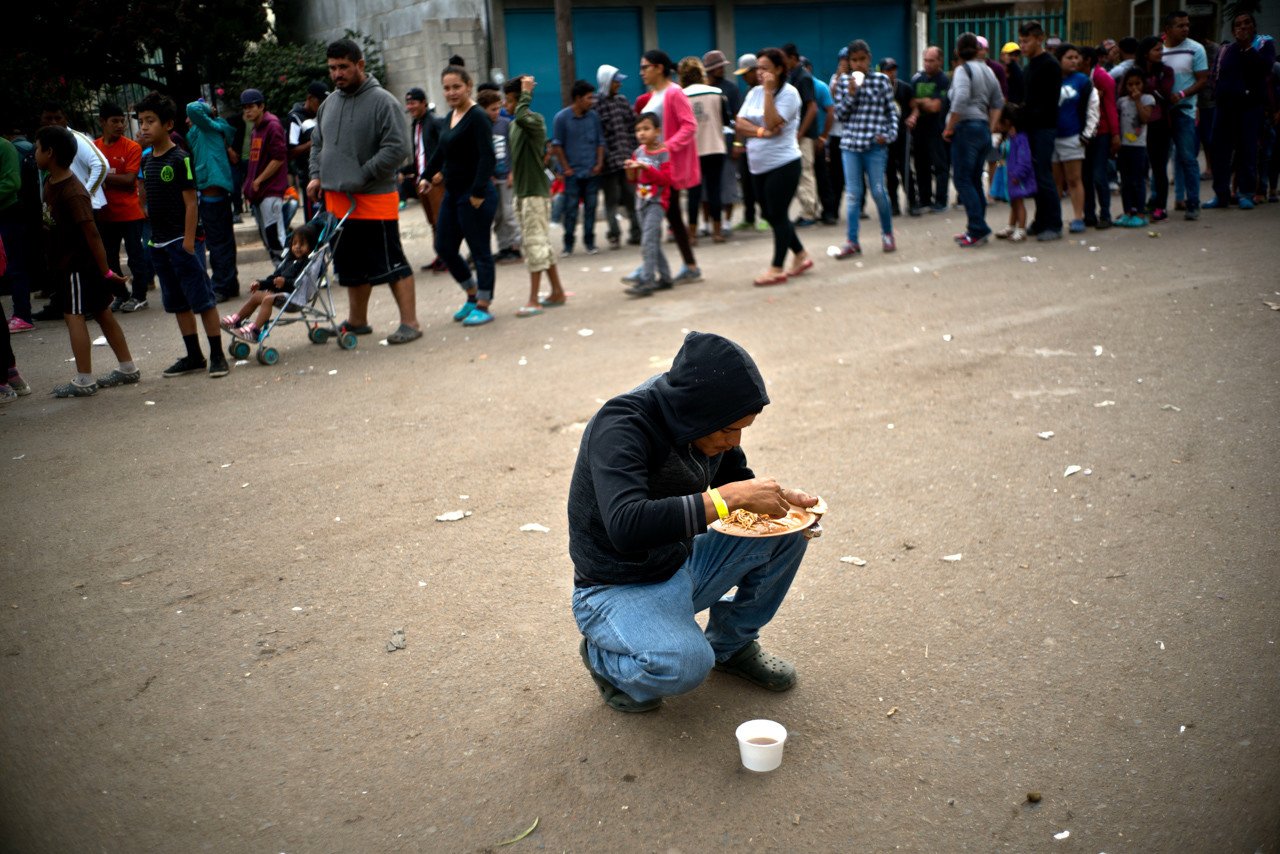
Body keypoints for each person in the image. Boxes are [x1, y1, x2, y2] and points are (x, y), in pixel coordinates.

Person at [569, 330, 819, 713]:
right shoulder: (622, 426)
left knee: (788, 531)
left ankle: (731, 646)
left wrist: (783, 503)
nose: (735, 441)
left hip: (682, 561)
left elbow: (733, 478)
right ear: (696, 412)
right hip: (617, 587)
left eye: (742, 429)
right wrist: (730, 498)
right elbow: (625, 526)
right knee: (685, 666)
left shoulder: (706, 422)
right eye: (729, 430)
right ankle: (605, 659)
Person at [308, 38, 420, 344]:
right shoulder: (329, 104)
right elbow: (318, 144)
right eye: (332, 68)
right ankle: (357, 321)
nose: (337, 74)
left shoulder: (384, 102)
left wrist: (363, 174)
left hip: (374, 200)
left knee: (392, 263)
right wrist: (316, 176)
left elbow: (397, 148)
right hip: (337, 203)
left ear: (360, 65)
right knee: (350, 268)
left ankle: (410, 323)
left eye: (343, 67)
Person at [34, 126, 138, 397]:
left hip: (77, 267)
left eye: (37, 148)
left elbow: (92, 234)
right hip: (69, 264)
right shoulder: (50, 183)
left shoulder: (73, 191)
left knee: (74, 316)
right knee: (102, 312)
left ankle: (84, 379)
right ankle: (127, 368)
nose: (34, 153)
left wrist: (106, 272)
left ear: (50, 152)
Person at [134, 93, 230, 379]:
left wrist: (188, 243)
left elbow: (191, 204)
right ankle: (194, 356)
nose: (144, 127)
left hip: (183, 243)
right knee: (177, 302)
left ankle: (217, 355)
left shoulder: (181, 158)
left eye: (150, 121)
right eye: (141, 121)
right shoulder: (147, 160)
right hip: (160, 243)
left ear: (168, 125)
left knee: (202, 300)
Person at [421, 64, 498, 327]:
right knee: (444, 247)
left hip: (475, 194)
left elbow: (488, 157)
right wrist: (425, 176)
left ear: (468, 86)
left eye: (457, 87)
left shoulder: (478, 117)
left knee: (479, 251)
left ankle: (484, 304)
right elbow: (440, 153)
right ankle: (471, 294)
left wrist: (477, 192)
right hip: (453, 194)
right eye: (447, 88)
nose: (452, 92)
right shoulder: (450, 116)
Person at [735, 47, 810, 285]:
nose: (760, 73)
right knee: (769, 214)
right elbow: (739, 123)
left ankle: (777, 268)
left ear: (779, 69)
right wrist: (760, 132)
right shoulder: (753, 92)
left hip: (783, 163)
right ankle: (801, 254)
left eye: (765, 68)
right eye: (758, 68)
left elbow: (772, 121)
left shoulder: (789, 94)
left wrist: (768, 93)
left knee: (777, 214)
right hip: (758, 165)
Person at [632, 50, 702, 283]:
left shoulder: (674, 93)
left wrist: (666, 147)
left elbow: (689, 125)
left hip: (666, 168)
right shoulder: (652, 96)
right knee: (669, 217)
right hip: (652, 168)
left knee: (658, 217)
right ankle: (685, 266)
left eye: (645, 67)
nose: (641, 72)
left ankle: (652, 268)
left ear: (659, 68)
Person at [502, 76, 567, 317]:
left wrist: (526, 93)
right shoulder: (513, 126)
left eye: (510, 101)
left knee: (534, 246)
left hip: (534, 195)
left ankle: (533, 300)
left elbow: (521, 115)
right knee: (540, 244)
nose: (506, 105)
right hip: (522, 193)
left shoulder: (534, 121)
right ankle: (557, 291)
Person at [832, 39, 899, 258]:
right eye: (854, 60)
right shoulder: (843, 82)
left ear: (869, 59)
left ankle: (887, 233)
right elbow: (840, 115)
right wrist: (851, 93)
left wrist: (889, 135)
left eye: (862, 59)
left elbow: (891, 112)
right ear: (849, 62)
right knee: (853, 195)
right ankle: (852, 241)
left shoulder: (881, 81)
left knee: (878, 191)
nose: (859, 64)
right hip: (851, 146)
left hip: (874, 146)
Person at [1205, 15, 1276, 210]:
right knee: (1219, 151)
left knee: (1247, 150)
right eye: (1238, 25)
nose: (1242, 27)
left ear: (1254, 26)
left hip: (1250, 107)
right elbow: (1218, 74)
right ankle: (1221, 195)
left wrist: (1247, 47)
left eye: (1247, 23)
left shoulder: (1264, 45)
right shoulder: (1227, 49)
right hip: (1225, 107)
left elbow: (1263, 69)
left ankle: (1246, 193)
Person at [944, 33, 1005, 247]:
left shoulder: (963, 70)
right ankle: (975, 228)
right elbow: (998, 101)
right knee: (974, 180)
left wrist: (949, 127)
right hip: (981, 129)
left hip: (965, 130)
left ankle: (978, 229)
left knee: (962, 180)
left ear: (957, 51)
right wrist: (990, 126)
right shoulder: (988, 70)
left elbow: (960, 98)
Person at [92, 102, 153, 312]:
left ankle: (139, 296)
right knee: (109, 258)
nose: (120, 125)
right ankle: (121, 294)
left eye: (122, 121)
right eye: (114, 121)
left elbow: (129, 180)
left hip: (130, 213)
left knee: (136, 257)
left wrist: (100, 175)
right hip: (105, 214)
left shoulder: (132, 147)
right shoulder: (94, 147)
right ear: (102, 122)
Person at [220, 222, 318, 342]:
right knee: (257, 295)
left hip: (294, 298)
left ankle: (254, 331)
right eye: (294, 243)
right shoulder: (289, 260)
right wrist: (260, 284)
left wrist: (285, 282)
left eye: (301, 244)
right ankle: (237, 320)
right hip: (280, 294)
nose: (297, 247)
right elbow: (274, 278)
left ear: (310, 247)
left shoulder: (307, 264)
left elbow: (300, 283)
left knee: (267, 299)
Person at [186, 98, 241, 302]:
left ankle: (221, 287)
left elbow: (192, 108)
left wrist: (206, 109)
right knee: (224, 243)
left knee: (218, 245)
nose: (187, 120)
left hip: (213, 198)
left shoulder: (210, 128)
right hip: (214, 197)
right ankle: (229, 284)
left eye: (190, 118)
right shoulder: (205, 131)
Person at [1160, 10, 1210, 220]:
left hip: (1185, 111)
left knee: (1188, 158)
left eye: (1187, 25)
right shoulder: (1159, 50)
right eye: (1180, 25)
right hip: (1161, 114)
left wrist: (1182, 94)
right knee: (1161, 161)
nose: (1185, 29)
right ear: (1168, 29)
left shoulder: (1195, 49)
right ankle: (1159, 204)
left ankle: (1193, 203)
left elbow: (1202, 79)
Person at [1019, 21, 1065, 240]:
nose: (1023, 46)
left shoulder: (1050, 65)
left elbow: (1047, 103)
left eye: (1026, 41)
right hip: (1030, 128)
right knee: (1035, 176)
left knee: (1044, 175)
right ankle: (1040, 220)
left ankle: (1054, 224)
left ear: (1039, 39)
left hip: (1044, 128)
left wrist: (1026, 113)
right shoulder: (1029, 67)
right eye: (1021, 41)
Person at [622, 112, 675, 296]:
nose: (642, 133)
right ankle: (666, 278)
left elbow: (665, 180)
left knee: (647, 242)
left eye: (646, 129)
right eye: (638, 130)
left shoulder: (663, 153)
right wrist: (630, 168)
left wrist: (646, 167)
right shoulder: (638, 152)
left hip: (657, 203)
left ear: (657, 131)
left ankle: (647, 280)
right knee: (652, 242)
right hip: (641, 202)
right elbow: (632, 179)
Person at [551, 80, 605, 256]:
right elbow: (557, 146)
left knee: (591, 209)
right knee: (571, 210)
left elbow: (600, 142)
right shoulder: (561, 118)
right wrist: (565, 168)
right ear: (578, 98)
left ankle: (590, 242)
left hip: (591, 172)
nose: (592, 101)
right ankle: (568, 245)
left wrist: (599, 163)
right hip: (572, 174)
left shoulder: (594, 117)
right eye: (589, 98)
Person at [679, 56, 729, 244]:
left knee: (694, 193)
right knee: (715, 190)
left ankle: (692, 235)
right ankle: (717, 232)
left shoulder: (681, 96)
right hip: (716, 147)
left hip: (692, 151)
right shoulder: (717, 93)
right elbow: (726, 121)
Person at [594, 64, 642, 249]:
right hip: (609, 163)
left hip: (627, 159)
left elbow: (632, 127)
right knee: (611, 201)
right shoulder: (596, 105)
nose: (619, 85)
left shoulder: (622, 101)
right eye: (616, 81)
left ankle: (637, 233)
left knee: (632, 197)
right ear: (606, 82)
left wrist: (635, 150)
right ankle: (614, 235)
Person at [239, 89, 288, 264]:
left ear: (261, 106)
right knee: (268, 238)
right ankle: (279, 273)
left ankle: (289, 274)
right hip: (259, 194)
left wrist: (258, 180)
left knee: (276, 237)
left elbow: (279, 158)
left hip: (271, 191)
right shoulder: (256, 129)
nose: (247, 111)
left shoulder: (272, 125)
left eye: (251, 106)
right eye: (244, 108)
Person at [1053, 44, 1098, 234]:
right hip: (1052, 137)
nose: (1074, 61)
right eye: (1069, 58)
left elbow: (1093, 108)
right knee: (1056, 182)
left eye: (1076, 57)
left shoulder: (1083, 81)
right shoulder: (1051, 79)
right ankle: (1054, 218)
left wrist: (1087, 134)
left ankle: (1078, 217)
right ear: (1059, 60)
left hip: (1073, 137)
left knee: (1074, 180)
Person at [405, 86, 447, 273]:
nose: (410, 107)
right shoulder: (416, 124)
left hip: (436, 181)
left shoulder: (435, 121)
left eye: (413, 102)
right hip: (422, 181)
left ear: (424, 103)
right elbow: (419, 154)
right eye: (408, 103)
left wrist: (442, 172)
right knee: (432, 222)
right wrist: (407, 172)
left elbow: (448, 148)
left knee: (441, 221)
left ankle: (448, 257)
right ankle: (440, 255)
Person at [478, 89, 521, 263]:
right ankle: (504, 247)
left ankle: (516, 246)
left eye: (498, 108)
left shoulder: (506, 124)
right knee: (497, 215)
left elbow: (514, 150)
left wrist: (512, 172)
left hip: (506, 177)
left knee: (509, 213)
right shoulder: (480, 126)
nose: (497, 112)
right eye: (493, 109)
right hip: (491, 179)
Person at [1134, 36, 1175, 221]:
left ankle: (1160, 206)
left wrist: (1146, 86)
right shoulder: (1135, 71)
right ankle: (1138, 205)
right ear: (1145, 53)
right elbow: (1126, 89)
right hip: (1138, 125)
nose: (1161, 53)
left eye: (1161, 49)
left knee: (1159, 168)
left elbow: (1166, 92)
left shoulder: (1166, 71)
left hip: (1160, 124)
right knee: (1139, 167)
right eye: (1157, 49)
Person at [781, 44, 820, 226]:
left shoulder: (803, 78)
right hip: (796, 134)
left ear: (792, 58)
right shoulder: (792, 77)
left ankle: (809, 212)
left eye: (784, 59)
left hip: (803, 134)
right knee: (799, 172)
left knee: (805, 171)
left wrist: (800, 132)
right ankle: (808, 209)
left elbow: (812, 108)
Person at [703, 50, 743, 228]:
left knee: (728, 184)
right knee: (705, 186)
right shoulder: (701, 88)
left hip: (727, 142)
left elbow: (738, 118)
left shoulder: (731, 89)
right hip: (706, 143)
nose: (722, 69)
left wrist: (738, 143)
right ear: (709, 69)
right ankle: (706, 222)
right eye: (719, 66)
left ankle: (726, 221)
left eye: (722, 66)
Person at [907, 46, 950, 213]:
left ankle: (941, 201)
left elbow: (935, 107)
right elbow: (911, 102)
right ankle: (924, 199)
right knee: (920, 165)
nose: (928, 64)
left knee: (940, 166)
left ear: (940, 61)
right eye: (926, 60)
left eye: (931, 61)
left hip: (937, 129)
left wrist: (921, 102)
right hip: (919, 131)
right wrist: (924, 101)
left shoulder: (943, 80)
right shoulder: (917, 78)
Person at [1080, 46, 1119, 229]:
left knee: (1098, 174)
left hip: (1102, 132)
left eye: (1078, 57)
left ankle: (1105, 214)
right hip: (1085, 133)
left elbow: (1110, 107)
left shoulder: (1102, 78)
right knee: (1085, 175)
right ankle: (1089, 214)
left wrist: (1115, 134)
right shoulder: (1079, 78)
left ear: (1087, 60)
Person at [1115, 69, 1155, 227]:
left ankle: (1140, 212)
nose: (1134, 88)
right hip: (1124, 146)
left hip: (1138, 146)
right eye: (1130, 84)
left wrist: (1138, 101)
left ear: (1143, 84)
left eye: (1137, 83)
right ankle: (1127, 212)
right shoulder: (1122, 101)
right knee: (1125, 181)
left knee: (1138, 180)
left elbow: (1145, 118)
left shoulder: (1147, 99)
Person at [732, 54, 766, 232]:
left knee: (761, 184)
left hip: (763, 145)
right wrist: (738, 144)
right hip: (747, 145)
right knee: (746, 184)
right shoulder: (748, 92)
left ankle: (766, 217)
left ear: (755, 70)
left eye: (746, 73)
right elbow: (740, 120)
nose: (744, 77)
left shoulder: (767, 91)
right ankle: (749, 217)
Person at [286, 81, 327, 222]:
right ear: (309, 98)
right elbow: (291, 151)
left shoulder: (323, 114)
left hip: (327, 176)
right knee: (314, 221)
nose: (322, 105)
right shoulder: (295, 118)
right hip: (309, 176)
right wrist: (313, 143)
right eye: (319, 102)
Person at [993, 104, 1034, 241]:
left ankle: (1021, 229)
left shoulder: (1020, 138)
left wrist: (1018, 174)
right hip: (1009, 175)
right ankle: (1011, 226)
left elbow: (1024, 160)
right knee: (1014, 202)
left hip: (1016, 177)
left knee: (1019, 203)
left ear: (1007, 121)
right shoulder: (1009, 137)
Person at [806, 58, 838, 225]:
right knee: (807, 177)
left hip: (817, 139)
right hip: (803, 139)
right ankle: (810, 210)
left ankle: (829, 212)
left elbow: (831, 112)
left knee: (822, 176)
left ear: (809, 68)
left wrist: (823, 137)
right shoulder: (796, 85)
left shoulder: (819, 87)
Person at [882, 58, 914, 216]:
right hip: (886, 135)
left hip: (902, 134)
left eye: (893, 69)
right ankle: (894, 204)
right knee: (890, 171)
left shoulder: (905, 88)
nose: (892, 73)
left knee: (905, 168)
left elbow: (914, 107)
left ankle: (912, 202)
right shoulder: (878, 90)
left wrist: (912, 117)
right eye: (888, 70)